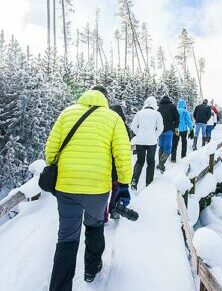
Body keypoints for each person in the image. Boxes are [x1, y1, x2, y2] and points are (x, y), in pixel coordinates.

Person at [46, 85, 132, 290]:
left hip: (66, 187)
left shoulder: (66, 113)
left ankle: (59, 287)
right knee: (94, 226)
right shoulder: (113, 118)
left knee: (67, 237)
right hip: (97, 188)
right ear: (105, 99)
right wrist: (124, 184)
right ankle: (91, 269)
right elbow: (122, 155)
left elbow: (50, 151)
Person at [104, 104, 131, 222]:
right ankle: (114, 210)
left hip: (105, 163)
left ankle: (102, 216)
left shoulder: (104, 125)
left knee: (103, 192)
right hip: (118, 165)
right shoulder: (124, 127)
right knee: (116, 189)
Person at [130, 96, 164, 190]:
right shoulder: (157, 114)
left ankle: (134, 181)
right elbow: (161, 128)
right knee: (151, 162)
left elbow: (133, 126)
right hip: (151, 142)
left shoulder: (139, 113)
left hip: (140, 141)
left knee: (139, 161)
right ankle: (148, 184)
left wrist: (139, 133)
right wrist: (154, 135)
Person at [156, 95, 179, 173]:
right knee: (168, 148)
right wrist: (176, 127)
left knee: (161, 147)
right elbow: (177, 117)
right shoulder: (172, 106)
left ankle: (160, 165)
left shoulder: (158, 107)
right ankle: (161, 164)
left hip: (160, 129)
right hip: (169, 128)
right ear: (169, 100)